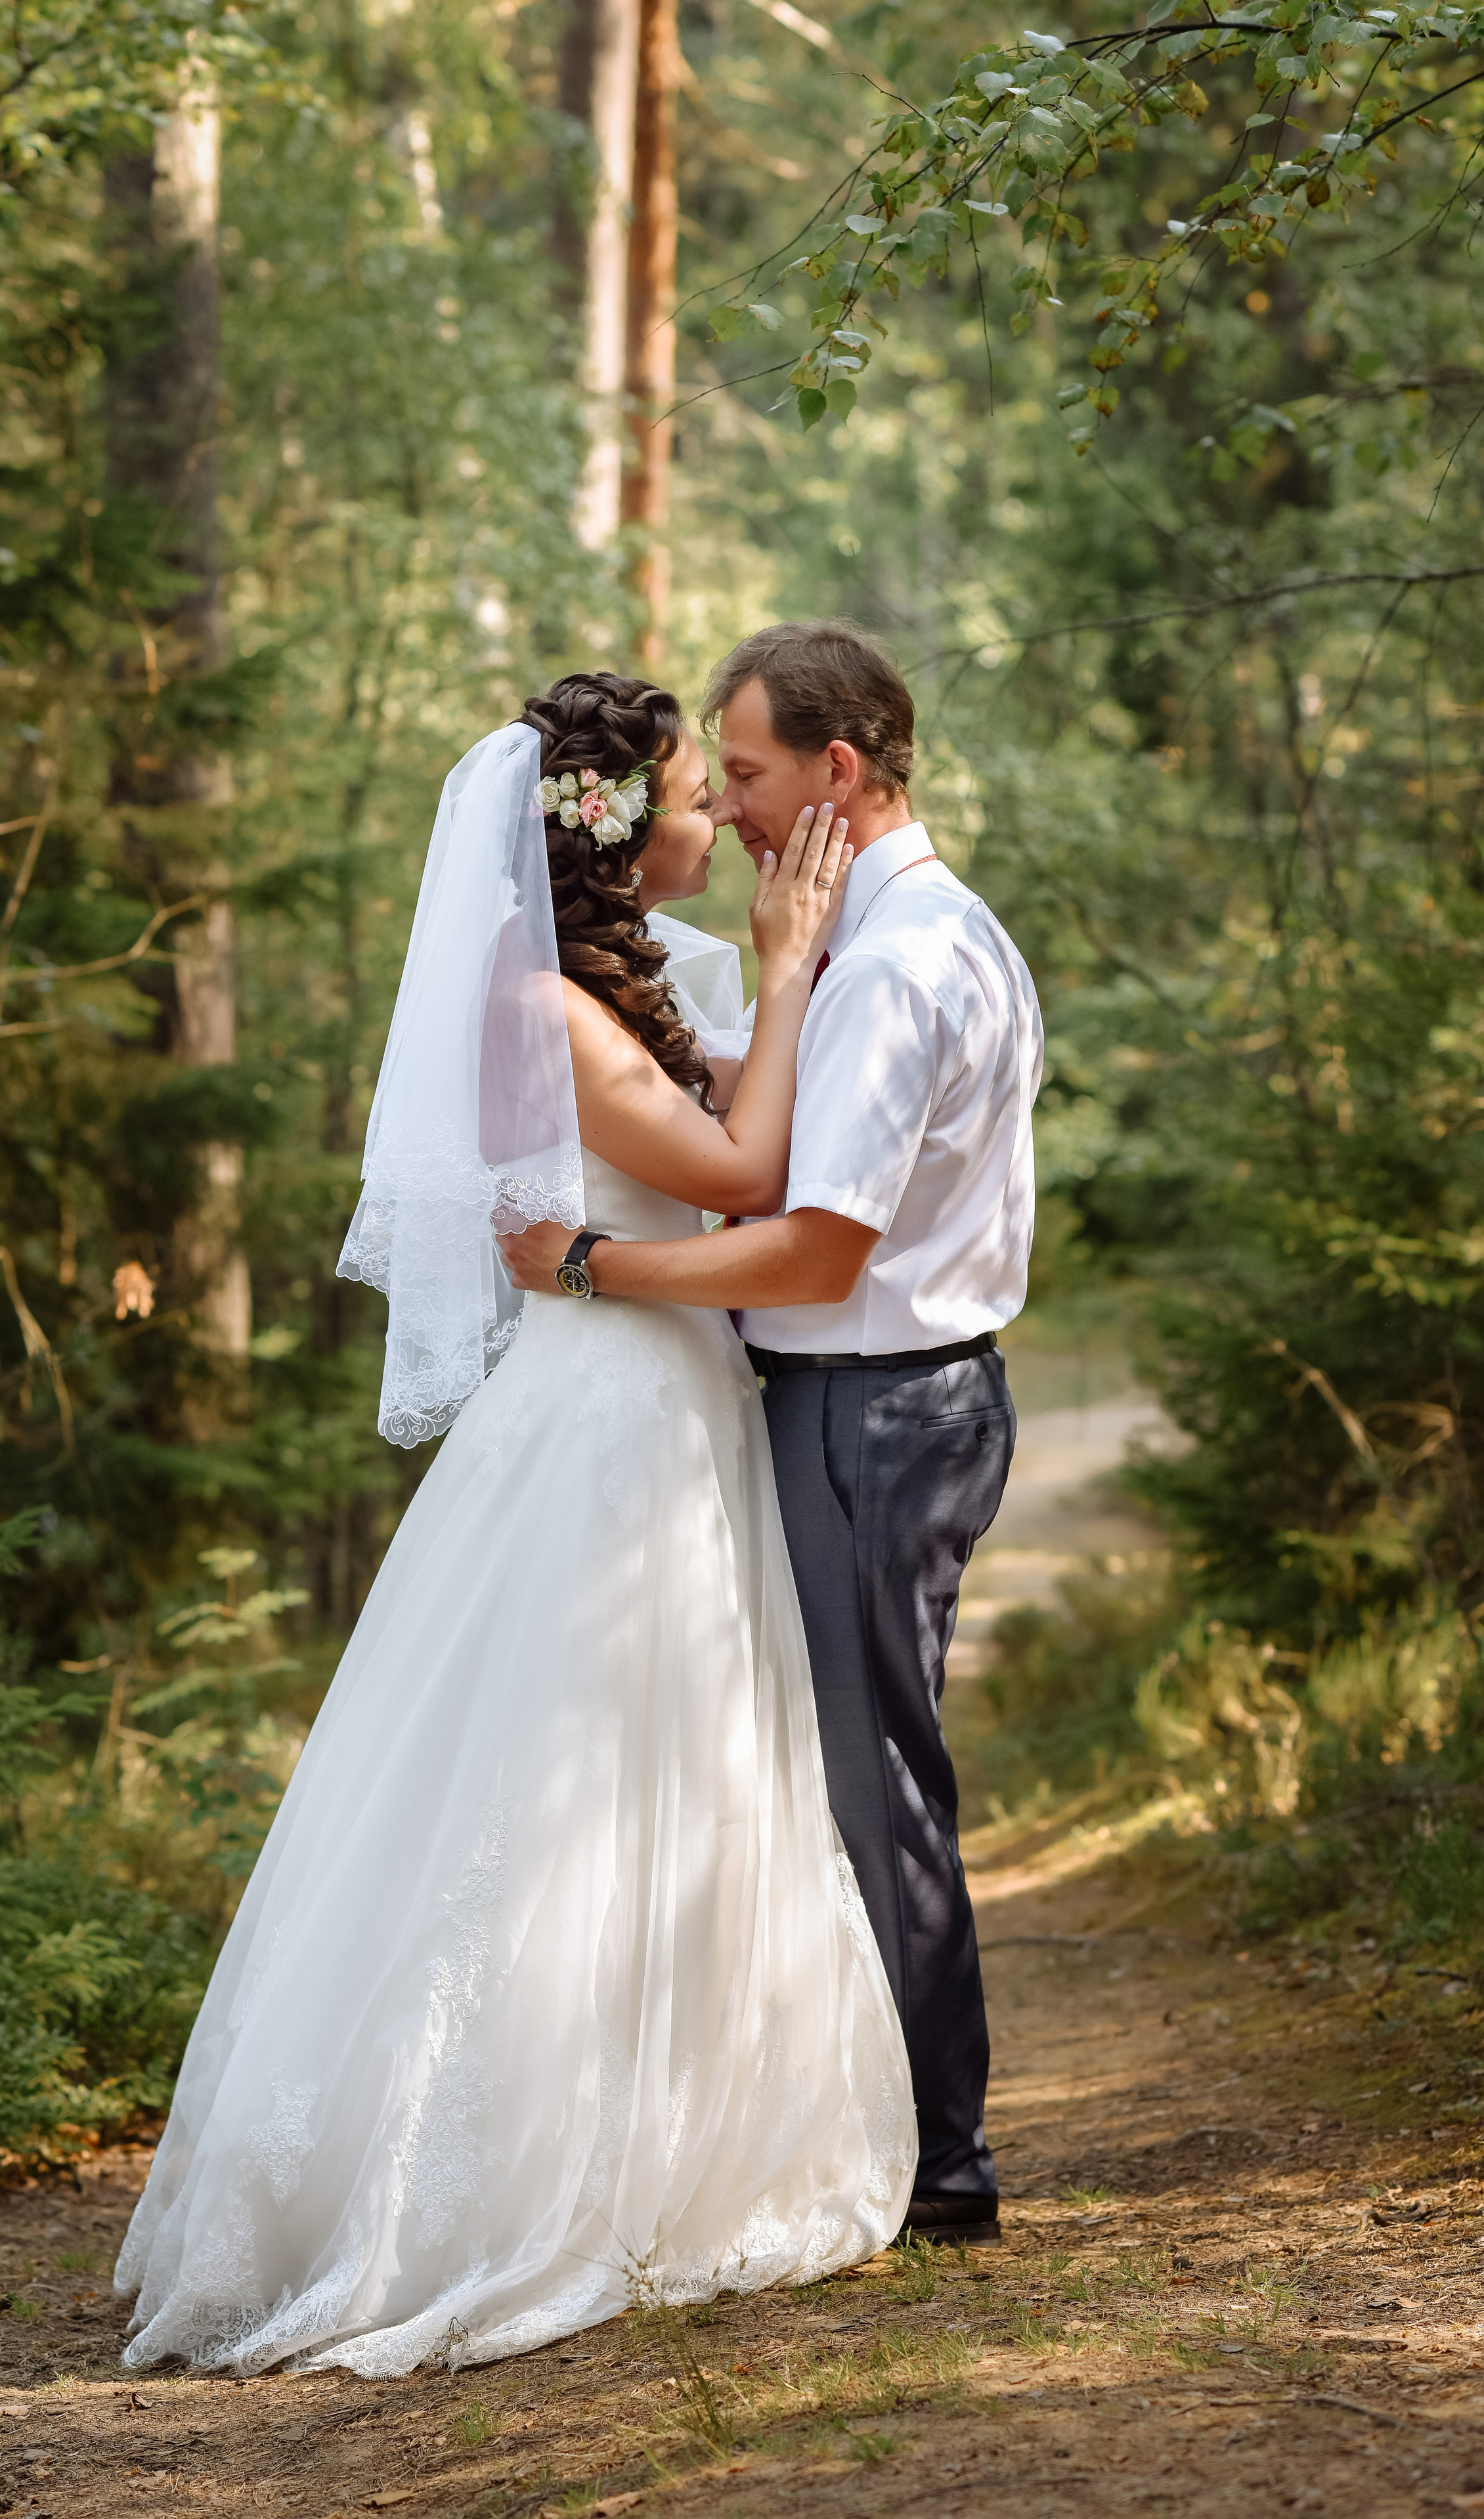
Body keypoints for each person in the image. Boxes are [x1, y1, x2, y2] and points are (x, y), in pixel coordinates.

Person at [113, 673, 917, 2379]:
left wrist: (772, 980)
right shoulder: (544, 1009)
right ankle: (521, 2172)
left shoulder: (585, 988)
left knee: (663, 1758)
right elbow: (748, 1170)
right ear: (610, 831)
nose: (721, 825)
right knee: (583, 1769)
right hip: (613, 1415)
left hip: (645, 1388)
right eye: (697, 797)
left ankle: (651, 2103)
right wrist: (786, 975)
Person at [502, 623, 1044, 2247]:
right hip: (872, 1403)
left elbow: (811, 1246)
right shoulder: (930, 934)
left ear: (836, 771)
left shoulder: (891, 964)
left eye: (739, 773)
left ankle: (935, 2162)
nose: (728, 807)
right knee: (822, 1768)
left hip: (869, 1410)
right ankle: (863, 2126)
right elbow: (734, 1120)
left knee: (865, 1781)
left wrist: (599, 1266)